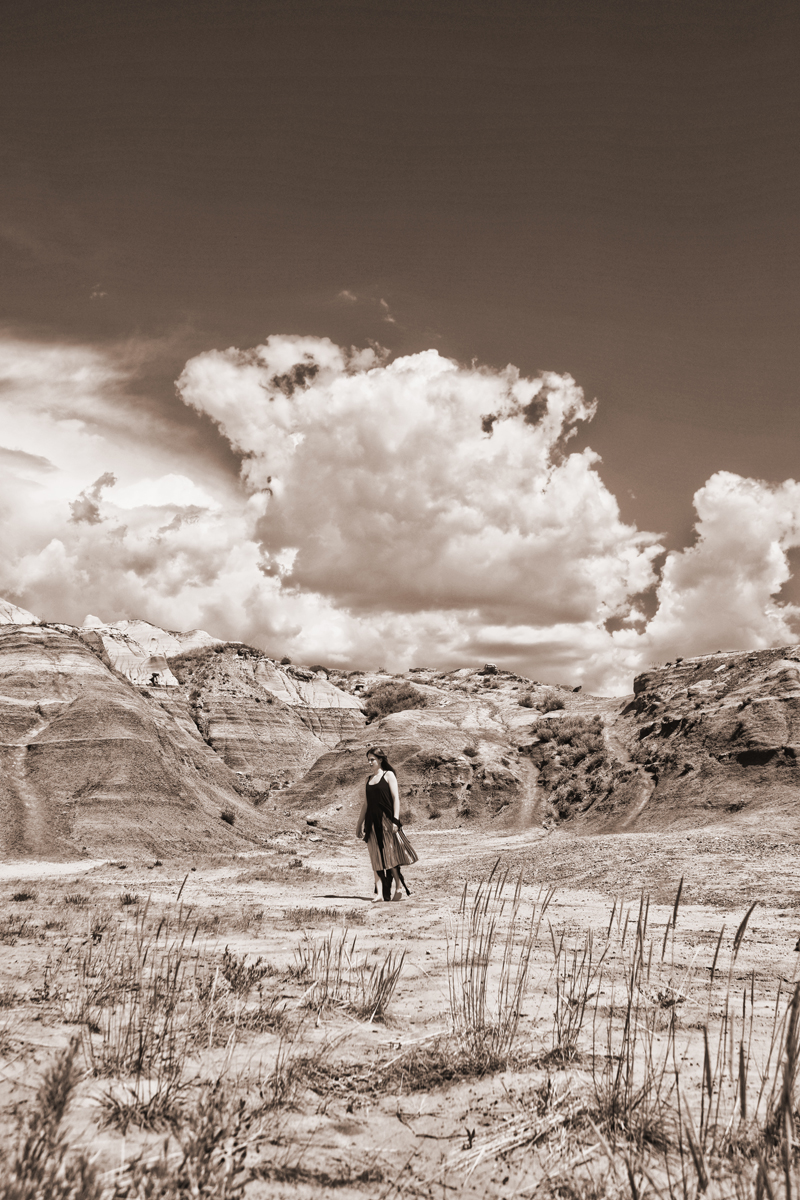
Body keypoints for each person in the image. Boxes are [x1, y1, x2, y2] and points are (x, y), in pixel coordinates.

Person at [356, 746, 418, 901]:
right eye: (368, 760)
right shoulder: (367, 780)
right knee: (375, 857)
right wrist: (359, 825)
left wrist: (395, 820)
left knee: (390, 856)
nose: (370, 762)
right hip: (371, 823)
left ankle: (398, 887)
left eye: (373, 759)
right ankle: (378, 893)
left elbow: (396, 798)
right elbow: (366, 804)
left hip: (386, 821)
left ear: (380, 760)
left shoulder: (388, 775)